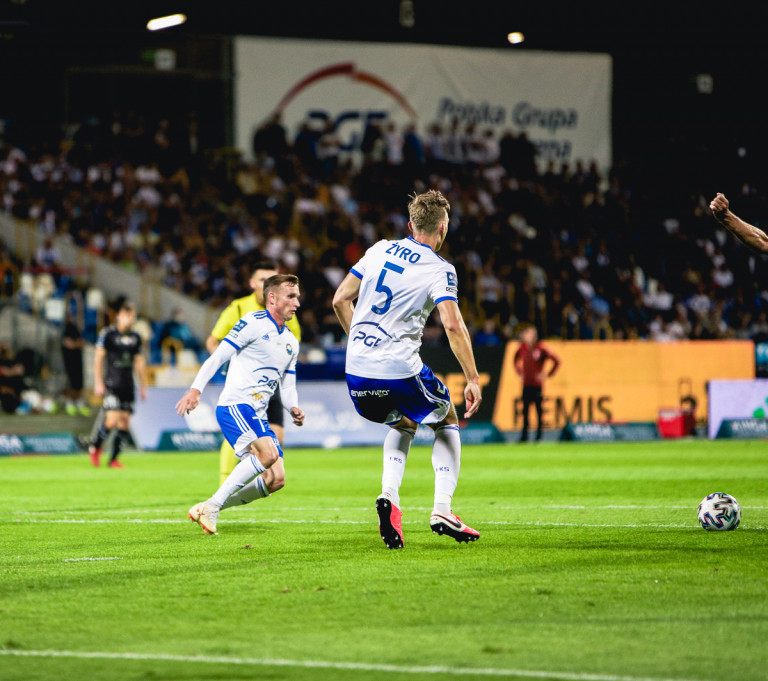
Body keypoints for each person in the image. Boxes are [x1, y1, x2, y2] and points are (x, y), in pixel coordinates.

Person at [332, 189, 482, 549]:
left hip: (356, 374)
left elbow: (340, 299)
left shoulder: (379, 248)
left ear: (410, 224)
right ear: (443, 228)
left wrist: (363, 345)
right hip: (397, 369)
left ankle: (389, 496)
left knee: (403, 420)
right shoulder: (440, 269)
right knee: (446, 415)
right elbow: (452, 324)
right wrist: (473, 378)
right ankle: (442, 509)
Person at [176, 274, 305, 535]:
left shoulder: (292, 341)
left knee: (276, 479)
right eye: (291, 296)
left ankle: (209, 506)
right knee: (267, 455)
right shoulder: (251, 323)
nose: (297, 303)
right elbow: (218, 357)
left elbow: (288, 383)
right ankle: (213, 506)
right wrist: (195, 389)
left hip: (258, 414)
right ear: (272, 298)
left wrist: (293, 406)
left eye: (297, 296)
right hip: (236, 406)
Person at [206, 259, 301, 484]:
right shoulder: (239, 308)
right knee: (242, 436)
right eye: (262, 279)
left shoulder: (287, 310)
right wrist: (228, 366)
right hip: (244, 384)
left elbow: (292, 341)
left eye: (271, 279)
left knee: (277, 438)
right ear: (252, 283)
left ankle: (253, 482)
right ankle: (226, 481)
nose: (267, 283)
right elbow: (213, 341)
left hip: (271, 384)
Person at [88, 301, 147, 468]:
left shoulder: (136, 337)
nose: (130, 320)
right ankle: (95, 447)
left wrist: (143, 385)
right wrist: (98, 382)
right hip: (112, 383)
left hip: (128, 384)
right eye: (127, 316)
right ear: (119, 316)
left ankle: (113, 459)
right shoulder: (108, 334)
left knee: (124, 422)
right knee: (112, 419)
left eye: (133, 317)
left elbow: (139, 361)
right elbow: (98, 359)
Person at [513, 323, 561, 443]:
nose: (525, 336)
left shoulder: (541, 348)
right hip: (526, 385)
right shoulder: (522, 348)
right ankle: (524, 437)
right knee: (525, 412)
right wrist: (520, 373)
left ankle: (539, 437)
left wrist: (547, 374)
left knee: (539, 412)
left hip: (537, 386)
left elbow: (556, 361)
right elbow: (514, 360)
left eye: (528, 333)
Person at [61, 313, 90, 416]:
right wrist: (77, 344)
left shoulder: (75, 330)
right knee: (70, 382)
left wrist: (77, 344)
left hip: (78, 360)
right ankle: (70, 403)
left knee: (79, 382)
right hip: (69, 361)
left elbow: (82, 342)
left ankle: (79, 402)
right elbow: (69, 344)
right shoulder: (65, 330)